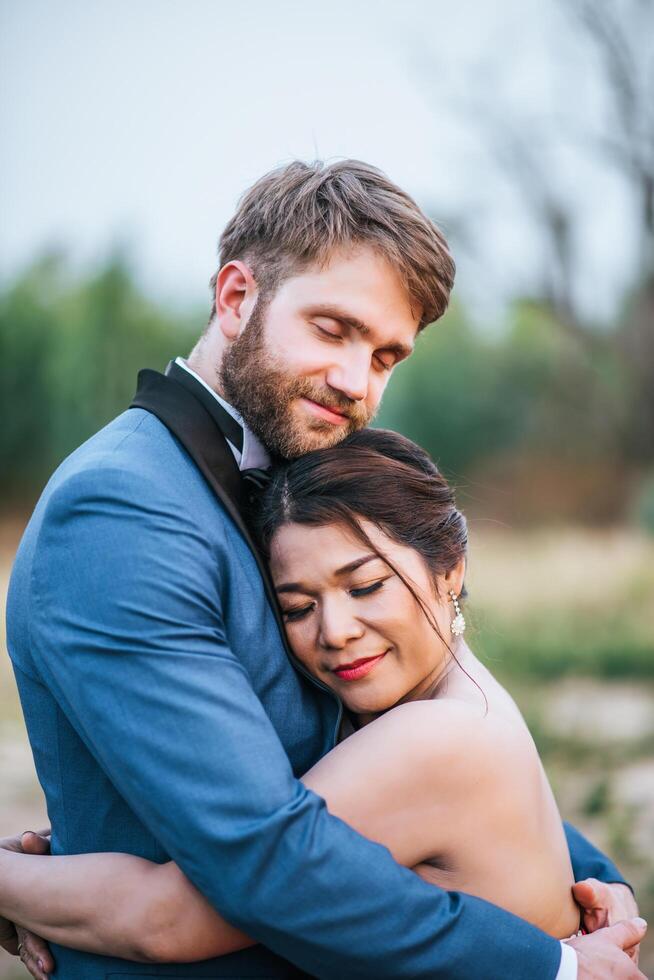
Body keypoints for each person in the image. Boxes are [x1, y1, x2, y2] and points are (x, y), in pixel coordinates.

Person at [1, 160, 644, 980]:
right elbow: (266, 854)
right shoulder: (123, 509)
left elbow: (408, 760)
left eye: (385, 357)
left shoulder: (312, 491)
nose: (356, 383)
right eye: (333, 329)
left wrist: (580, 877)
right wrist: (552, 965)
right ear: (237, 298)